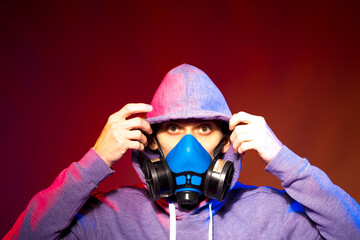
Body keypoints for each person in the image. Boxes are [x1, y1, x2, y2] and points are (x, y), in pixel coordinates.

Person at [5, 64, 360, 239]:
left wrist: (284, 159)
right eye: (173, 128)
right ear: (150, 140)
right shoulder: (110, 217)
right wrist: (94, 162)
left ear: (227, 140)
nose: (187, 146)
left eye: (204, 129)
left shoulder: (271, 215)